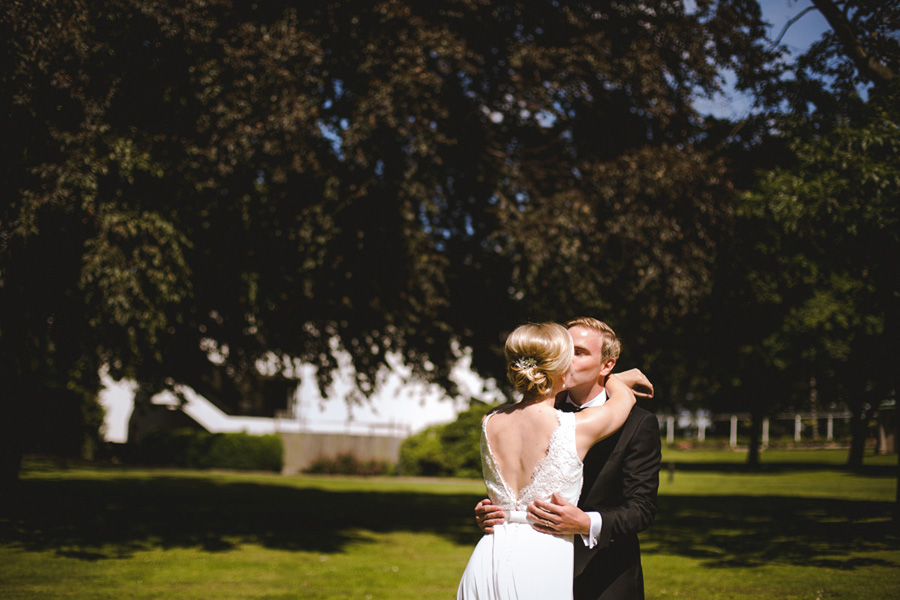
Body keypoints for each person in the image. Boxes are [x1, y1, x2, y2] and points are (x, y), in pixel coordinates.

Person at [457, 322, 649, 600]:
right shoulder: (575, 426)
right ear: (559, 368)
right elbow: (623, 400)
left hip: (488, 557)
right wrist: (615, 380)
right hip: (541, 561)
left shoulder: (490, 420)